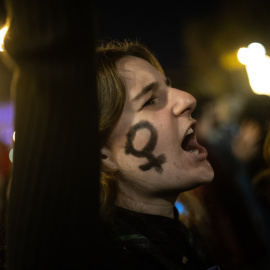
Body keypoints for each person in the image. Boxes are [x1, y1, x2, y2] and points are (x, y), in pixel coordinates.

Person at [96, 40, 218, 269]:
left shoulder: (188, 240)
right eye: (150, 100)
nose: (187, 99)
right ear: (103, 156)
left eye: (169, 87)